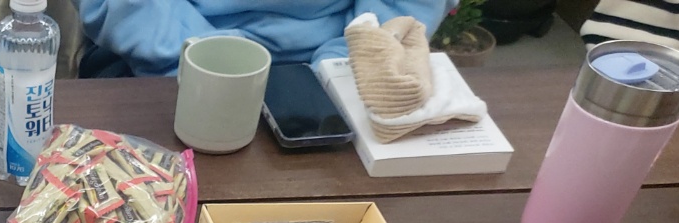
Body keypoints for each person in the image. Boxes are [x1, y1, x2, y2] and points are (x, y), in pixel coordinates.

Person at [76, 0, 451, 77]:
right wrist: (205, 61)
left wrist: (336, 73)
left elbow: (399, 11)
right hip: (161, 56)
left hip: (337, 68)